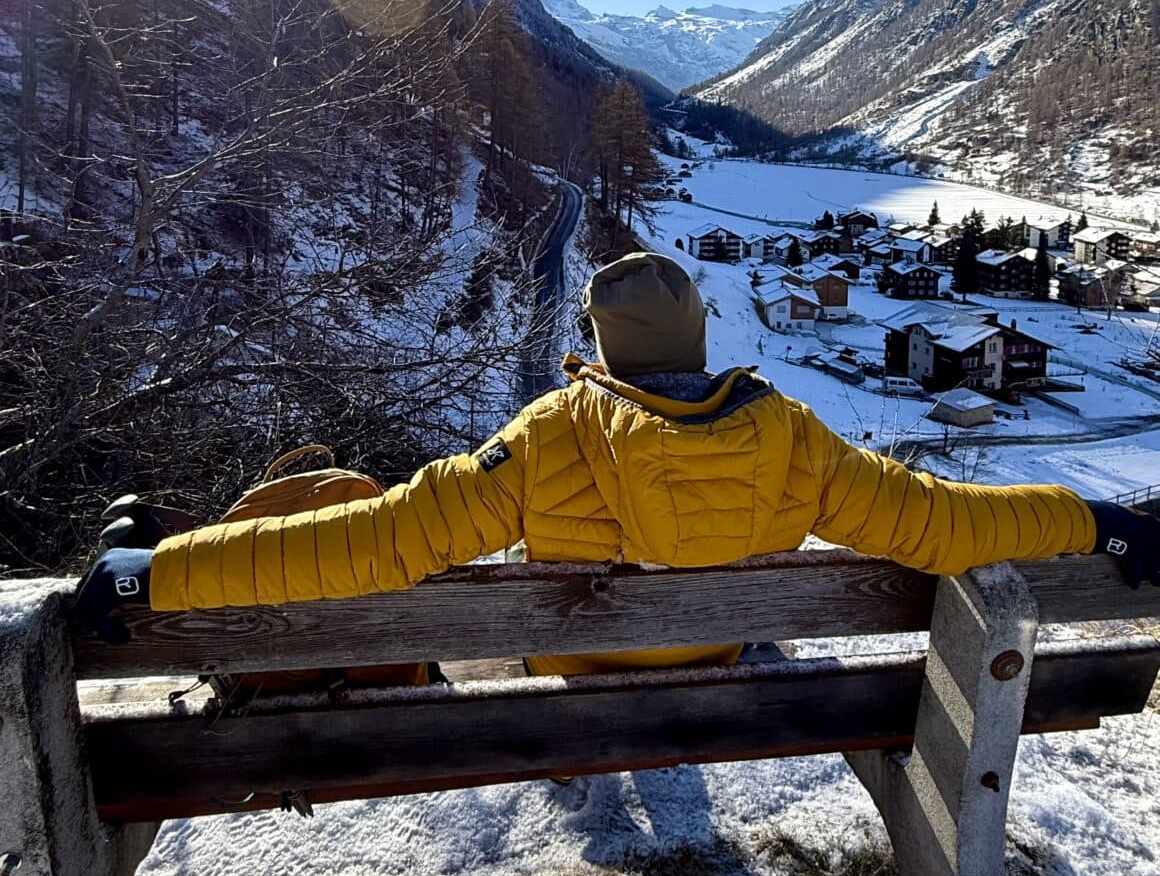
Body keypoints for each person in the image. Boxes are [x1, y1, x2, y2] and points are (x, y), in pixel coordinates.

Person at [76, 252, 1160, 664]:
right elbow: (947, 521)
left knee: (365, 506)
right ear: (696, 341)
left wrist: (158, 569)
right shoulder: (792, 435)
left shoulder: (549, 435)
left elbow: (376, 540)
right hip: (721, 664)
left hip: (577, 673)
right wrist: (1099, 520)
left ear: (600, 353)